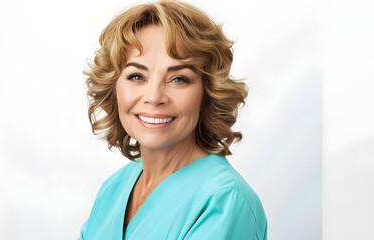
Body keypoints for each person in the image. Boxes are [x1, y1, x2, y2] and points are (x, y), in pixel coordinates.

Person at [78, 0, 267, 239]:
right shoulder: (113, 189)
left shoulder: (224, 201)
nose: (155, 97)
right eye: (136, 76)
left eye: (179, 79)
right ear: (113, 89)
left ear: (208, 93)